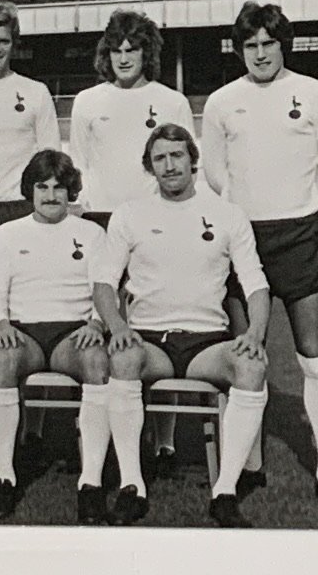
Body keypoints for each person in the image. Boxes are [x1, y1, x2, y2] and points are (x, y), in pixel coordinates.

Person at [202, 0, 318, 500]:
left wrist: (303, 207)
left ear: (283, 44)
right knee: (245, 357)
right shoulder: (222, 102)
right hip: (244, 241)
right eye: (250, 45)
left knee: (314, 357)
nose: (261, 53)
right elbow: (215, 171)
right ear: (239, 50)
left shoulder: (314, 93)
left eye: (269, 43)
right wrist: (241, 213)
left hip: (300, 236)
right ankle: (247, 467)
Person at [99, 123, 273, 526]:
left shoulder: (227, 215)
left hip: (206, 343)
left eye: (177, 155)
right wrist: (117, 326)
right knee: (123, 360)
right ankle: (132, 485)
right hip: (150, 340)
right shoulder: (130, 214)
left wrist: (254, 333)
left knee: (251, 366)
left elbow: (256, 284)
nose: (169, 165)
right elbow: (105, 282)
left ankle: (225, 491)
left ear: (192, 160)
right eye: (159, 158)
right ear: (150, 166)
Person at [0, 149, 115, 515]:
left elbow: (104, 287)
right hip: (23, 330)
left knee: (97, 361)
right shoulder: (6, 234)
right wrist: (0, 323)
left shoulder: (92, 233)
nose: (51, 195)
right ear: (31, 190)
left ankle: (91, 481)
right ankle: (2, 476)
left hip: (72, 332)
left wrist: (96, 323)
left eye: (59, 187)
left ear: (71, 191)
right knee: (4, 360)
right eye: (42, 187)